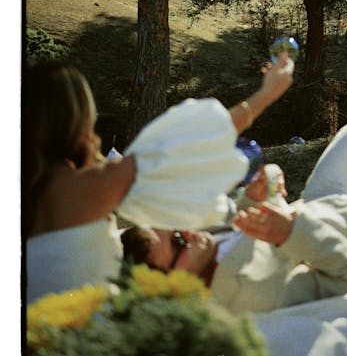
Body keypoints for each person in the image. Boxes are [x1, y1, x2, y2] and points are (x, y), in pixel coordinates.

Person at [121, 121, 347, 316]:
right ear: (174, 284)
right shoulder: (250, 294)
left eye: (175, 229)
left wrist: (257, 194)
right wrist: (292, 232)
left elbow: (245, 228)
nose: (190, 233)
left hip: (322, 204)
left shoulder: (206, 253)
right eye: (179, 242)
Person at [23, 54, 294, 304]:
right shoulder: (77, 189)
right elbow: (184, 145)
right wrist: (268, 92)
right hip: (86, 326)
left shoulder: (34, 191)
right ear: (75, 118)